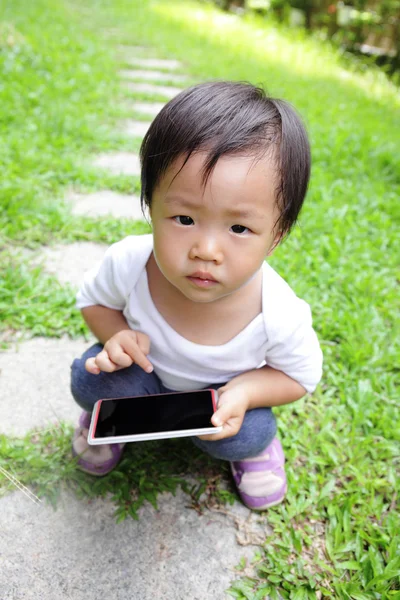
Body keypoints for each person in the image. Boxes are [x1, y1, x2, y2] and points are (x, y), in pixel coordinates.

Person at [70, 81, 323, 511]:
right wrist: (116, 335)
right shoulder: (131, 262)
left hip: (218, 403)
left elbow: (299, 377)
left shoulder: (279, 313)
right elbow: (94, 301)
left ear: (276, 236)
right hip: (146, 378)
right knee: (91, 378)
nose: (206, 249)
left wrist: (244, 392)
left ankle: (254, 453)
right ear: (151, 206)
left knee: (249, 433)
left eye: (239, 228)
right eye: (184, 218)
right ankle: (113, 423)